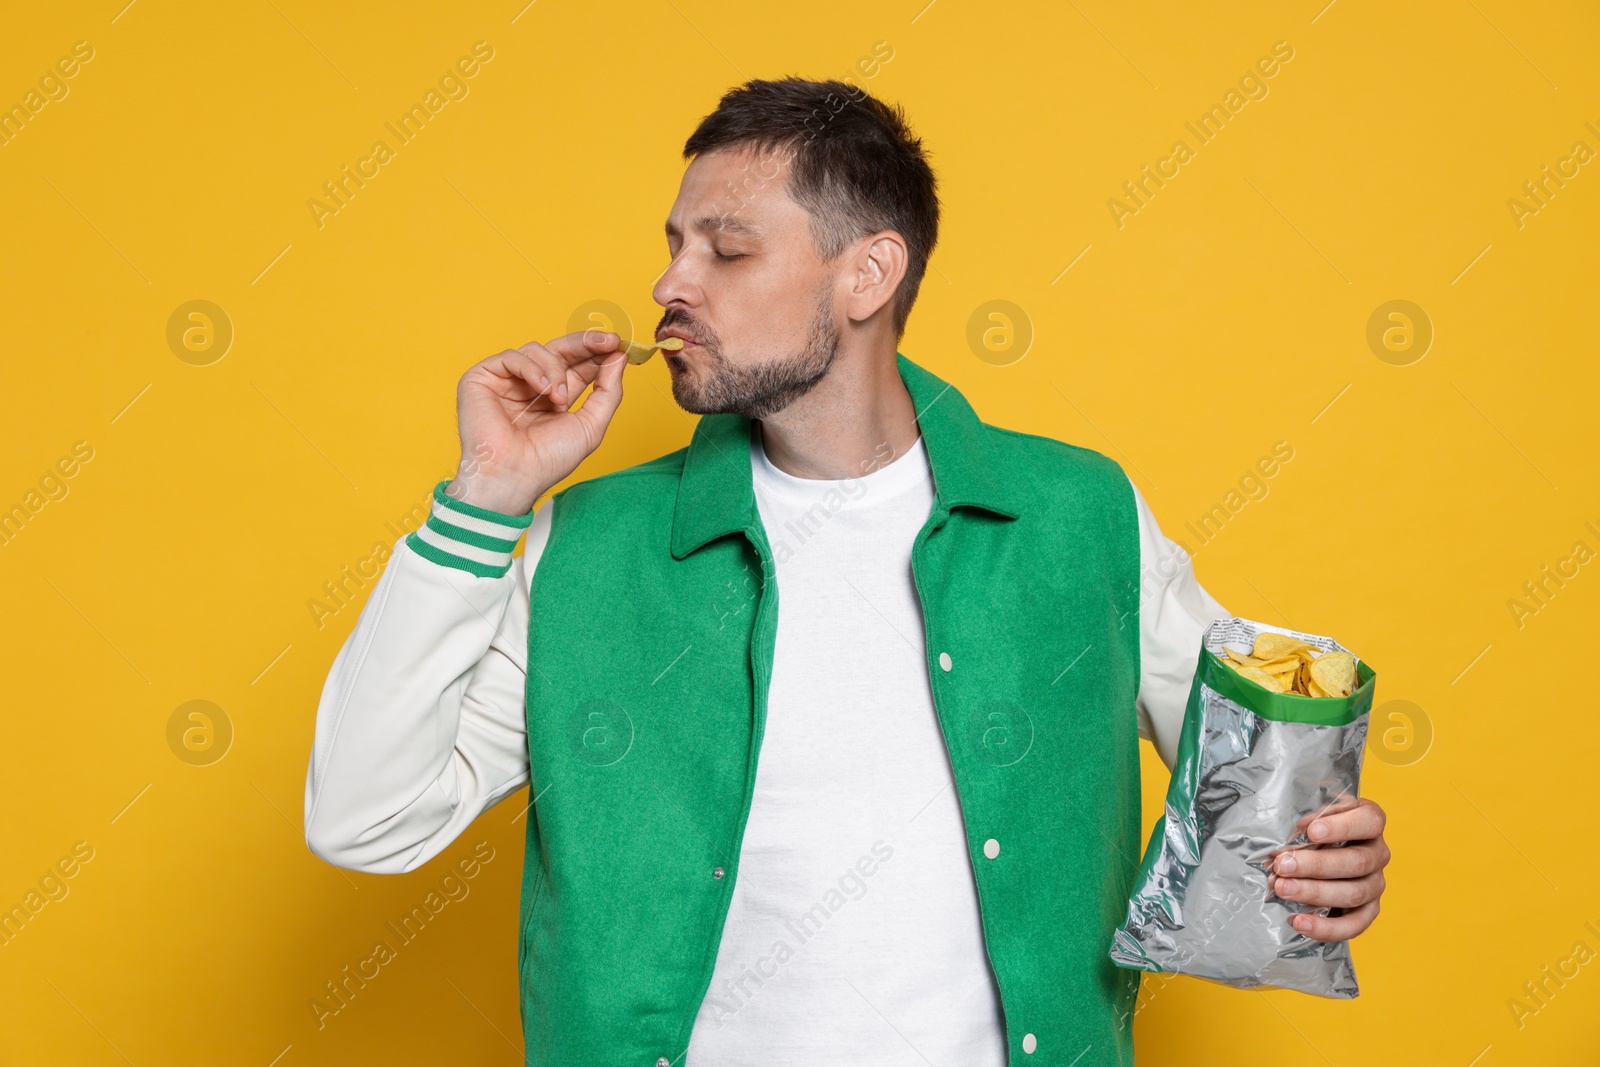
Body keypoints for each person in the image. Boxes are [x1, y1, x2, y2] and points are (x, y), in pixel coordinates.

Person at [303, 76, 1389, 1066]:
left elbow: (1261, 791)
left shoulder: (1076, 515)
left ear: (868, 272)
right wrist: (483, 501)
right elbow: (364, 818)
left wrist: (1322, 863)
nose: (667, 282)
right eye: (675, 243)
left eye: (725, 251)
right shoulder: (587, 547)